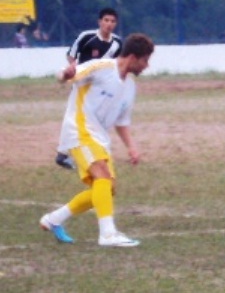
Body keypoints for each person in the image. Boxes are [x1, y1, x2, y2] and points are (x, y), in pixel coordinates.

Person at [40, 33, 154, 247]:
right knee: (102, 175)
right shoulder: (101, 67)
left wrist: (131, 147)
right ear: (132, 57)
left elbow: (121, 121)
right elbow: (67, 76)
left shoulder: (129, 87)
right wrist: (65, 74)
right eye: (145, 60)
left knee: (106, 188)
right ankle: (108, 234)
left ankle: (54, 219)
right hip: (79, 130)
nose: (146, 66)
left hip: (99, 138)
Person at [56, 7, 123, 170]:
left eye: (112, 21)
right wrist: (73, 68)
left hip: (100, 84)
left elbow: (115, 64)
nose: (109, 24)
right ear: (99, 22)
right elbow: (71, 55)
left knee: (96, 114)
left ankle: (91, 146)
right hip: (83, 80)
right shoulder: (87, 37)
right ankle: (63, 153)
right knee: (75, 113)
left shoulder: (117, 43)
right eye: (106, 20)